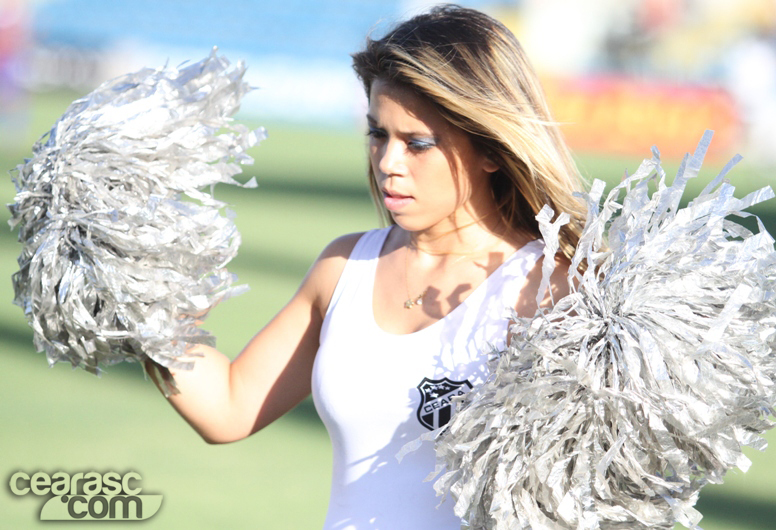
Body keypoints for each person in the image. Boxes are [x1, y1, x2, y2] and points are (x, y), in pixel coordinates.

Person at [151, 4, 587, 528]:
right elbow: (227, 408)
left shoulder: (553, 290)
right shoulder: (345, 266)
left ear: (491, 149)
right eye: (378, 134)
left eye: (417, 143)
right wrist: (140, 307)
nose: (387, 162)